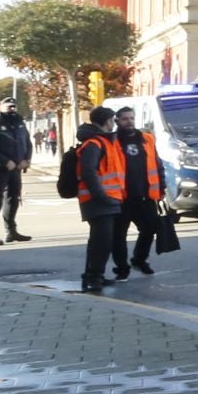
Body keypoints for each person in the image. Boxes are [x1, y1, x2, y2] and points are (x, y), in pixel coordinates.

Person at [110, 105, 167, 276]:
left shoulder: (147, 139)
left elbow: (157, 165)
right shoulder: (112, 141)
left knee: (150, 228)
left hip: (145, 195)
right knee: (119, 235)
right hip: (121, 197)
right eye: (125, 119)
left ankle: (139, 260)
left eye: (132, 118)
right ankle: (122, 268)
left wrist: (162, 186)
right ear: (117, 121)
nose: (129, 122)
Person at [75, 107, 124, 294]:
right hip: (98, 200)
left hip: (106, 199)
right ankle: (94, 278)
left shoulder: (101, 141)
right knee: (101, 242)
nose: (114, 123)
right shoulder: (94, 143)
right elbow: (89, 171)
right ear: (107, 121)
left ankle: (94, 275)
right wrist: (101, 195)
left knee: (99, 241)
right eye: (113, 120)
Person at [0, 96, 32, 244]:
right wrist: (5, 161)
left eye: (13, 106)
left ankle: (11, 231)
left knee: (13, 199)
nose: (11, 109)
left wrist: (26, 160)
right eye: (8, 106)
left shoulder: (19, 122)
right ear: (0, 107)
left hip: (16, 168)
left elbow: (27, 142)